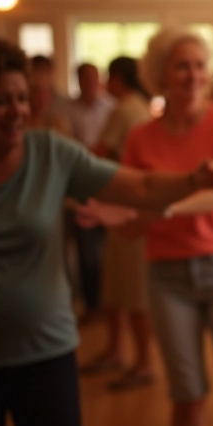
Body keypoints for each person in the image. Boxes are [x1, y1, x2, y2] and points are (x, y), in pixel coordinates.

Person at [0, 38, 213, 426]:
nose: (17, 112)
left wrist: (191, 180)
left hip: (48, 352)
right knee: (186, 393)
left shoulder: (50, 152)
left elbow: (141, 185)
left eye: (22, 98)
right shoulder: (141, 131)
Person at [121, 29, 213, 426]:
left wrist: (165, 209)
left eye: (200, 64)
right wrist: (124, 216)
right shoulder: (140, 137)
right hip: (166, 274)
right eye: (182, 65)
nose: (194, 74)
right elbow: (130, 213)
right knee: (186, 394)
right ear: (161, 73)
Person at [78, 56, 156, 390]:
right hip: (130, 206)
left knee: (132, 289)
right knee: (121, 285)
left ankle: (143, 362)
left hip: (126, 207)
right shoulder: (139, 108)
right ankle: (119, 351)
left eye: (110, 77)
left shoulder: (124, 109)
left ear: (119, 79)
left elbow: (99, 152)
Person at [66, 62, 118, 320]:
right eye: (84, 78)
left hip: (109, 184)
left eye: (93, 77)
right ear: (77, 80)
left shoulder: (112, 107)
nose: (89, 82)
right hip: (81, 186)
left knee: (110, 251)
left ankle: (110, 306)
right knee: (86, 252)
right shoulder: (66, 109)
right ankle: (92, 306)